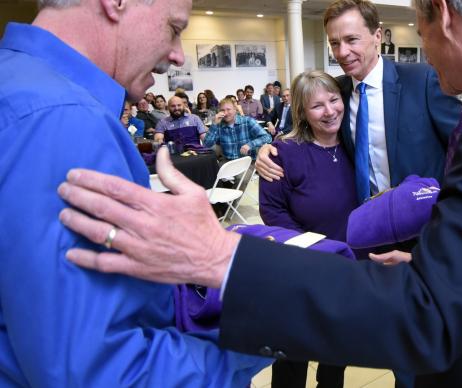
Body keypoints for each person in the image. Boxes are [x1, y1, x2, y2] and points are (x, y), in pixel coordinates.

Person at [57, 0, 462, 387]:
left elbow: (429, 315)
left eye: (416, 32)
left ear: (442, 15)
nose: (419, 47)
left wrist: (223, 257)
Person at [0, 0, 271, 386]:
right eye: (174, 28)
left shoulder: (17, 81)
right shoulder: (66, 121)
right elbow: (100, 372)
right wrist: (260, 335)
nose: (177, 56)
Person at [257, 0, 462, 206]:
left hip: (427, 220)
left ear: (377, 36)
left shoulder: (422, 80)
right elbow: (300, 131)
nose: (342, 53)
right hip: (368, 225)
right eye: (335, 43)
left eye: (351, 39)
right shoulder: (335, 93)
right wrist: (268, 149)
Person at [259, 70, 355, 388]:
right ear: (301, 112)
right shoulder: (283, 152)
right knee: (292, 363)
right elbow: (271, 210)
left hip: (347, 271)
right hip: (301, 271)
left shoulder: (356, 144)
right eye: (317, 106)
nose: (329, 111)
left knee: (335, 360)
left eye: (333, 100)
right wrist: (314, 248)